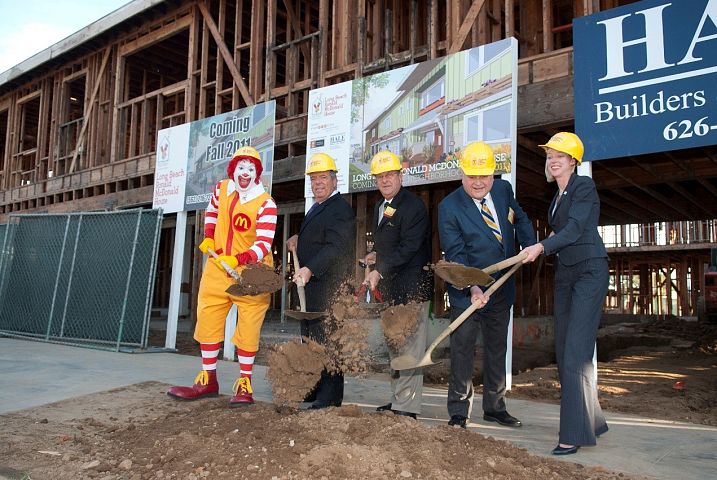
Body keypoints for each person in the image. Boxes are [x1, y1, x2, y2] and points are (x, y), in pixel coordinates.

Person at [168, 146, 277, 406]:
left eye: (251, 169)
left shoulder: (266, 204)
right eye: (241, 168)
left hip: (252, 273)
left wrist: (238, 260)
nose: (245, 174)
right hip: (218, 266)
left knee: (248, 325)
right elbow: (213, 212)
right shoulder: (221, 189)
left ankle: (245, 383)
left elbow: (263, 244)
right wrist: (208, 237)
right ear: (232, 170)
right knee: (208, 317)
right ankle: (208, 379)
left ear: (257, 173)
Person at [522, 132, 609, 455]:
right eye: (549, 156)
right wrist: (536, 249)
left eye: (560, 155)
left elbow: (573, 231)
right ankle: (593, 420)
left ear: (573, 160)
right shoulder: (557, 197)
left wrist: (542, 246)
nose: (553, 160)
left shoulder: (584, 187)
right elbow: (563, 231)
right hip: (566, 273)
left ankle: (573, 434)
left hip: (589, 269)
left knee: (575, 352)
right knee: (566, 351)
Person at [437, 141, 535, 429]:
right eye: (472, 177)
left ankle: (495, 406)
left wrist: (531, 245)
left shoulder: (503, 191)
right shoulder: (449, 207)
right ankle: (458, 410)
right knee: (463, 349)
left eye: (484, 176)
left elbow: (521, 219)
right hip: (467, 290)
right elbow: (456, 253)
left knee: (496, 349)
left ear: (493, 174)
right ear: (462, 175)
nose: (479, 183)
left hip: (501, 287)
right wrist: (472, 288)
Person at [362, 150, 432, 420]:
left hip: (411, 288)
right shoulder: (382, 206)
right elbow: (389, 246)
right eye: (380, 176)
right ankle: (398, 399)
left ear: (400, 176)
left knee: (410, 347)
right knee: (395, 344)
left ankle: (408, 407)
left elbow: (408, 248)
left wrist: (379, 270)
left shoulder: (413, 207)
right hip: (392, 290)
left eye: (389, 174)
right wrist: (374, 256)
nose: (385, 180)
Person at [286, 152, 356, 409]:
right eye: (314, 179)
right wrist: (298, 239)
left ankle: (330, 397)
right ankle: (315, 389)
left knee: (328, 341)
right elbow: (319, 237)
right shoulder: (318, 207)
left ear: (335, 181)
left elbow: (336, 246)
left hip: (329, 288)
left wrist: (310, 269)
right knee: (311, 341)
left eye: (323, 178)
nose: (318, 183)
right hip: (312, 288)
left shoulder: (339, 209)